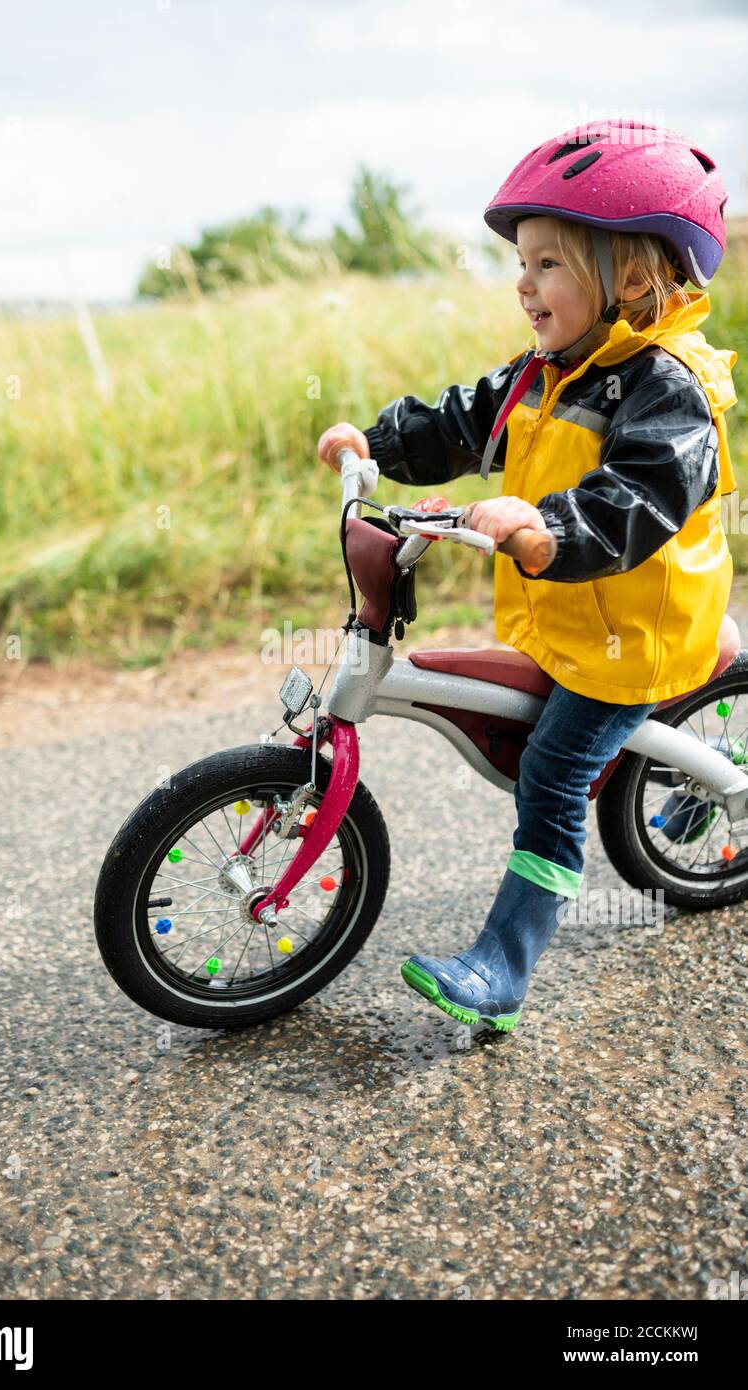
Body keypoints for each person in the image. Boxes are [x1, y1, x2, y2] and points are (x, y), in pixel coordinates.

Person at [317, 120, 740, 1033]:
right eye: (523, 262)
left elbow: (639, 499)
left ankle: (502, 971)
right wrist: (376, 444)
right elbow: (462, 421)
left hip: (634, 633)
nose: (523, 283)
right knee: (526, 709)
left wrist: (546, 526)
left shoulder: (671, 390)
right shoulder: (547, 371)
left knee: (552, 769)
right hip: (568, 615)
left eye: (548, 264)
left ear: (632, 279)